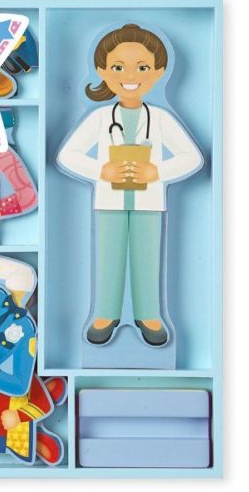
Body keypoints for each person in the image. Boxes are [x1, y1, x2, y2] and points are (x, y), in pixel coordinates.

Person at [58, 24, 203, 347]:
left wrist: (156, 172)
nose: (130, 76)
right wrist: (102, 170)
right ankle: (105, 314)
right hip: (108, 201)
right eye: (118, 67)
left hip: (149, 202)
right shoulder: (100, 118)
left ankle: (148, 314)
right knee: (108, 257)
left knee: (147, 257)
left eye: (142, 67)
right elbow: (68, 155)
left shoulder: (161, 119)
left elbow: (191, 157)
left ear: (159, 72)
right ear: (102, 71)